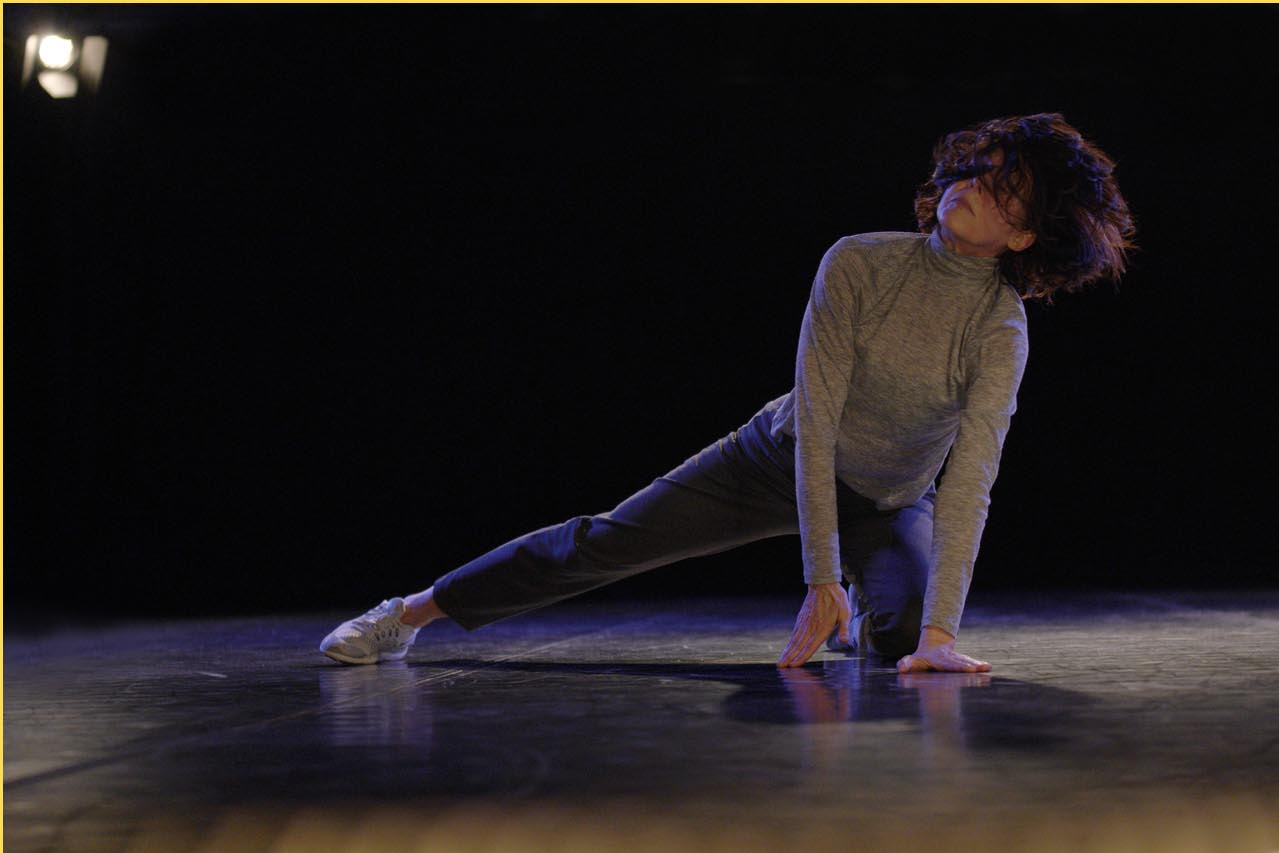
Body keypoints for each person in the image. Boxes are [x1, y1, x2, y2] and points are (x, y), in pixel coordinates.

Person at [319, 112, 1137, 672]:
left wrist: (942, 634)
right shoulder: (858, 262)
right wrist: (819, 574)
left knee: (905, 643)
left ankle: (868, 608)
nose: (976, 185)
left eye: (1005, 190)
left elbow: (972, 479)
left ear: (1023, 236)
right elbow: (818, 419)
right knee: (605, 541)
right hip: (774, 458)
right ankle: (409, 613)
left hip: (890, 499)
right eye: (982, 169)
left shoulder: (998, 328)